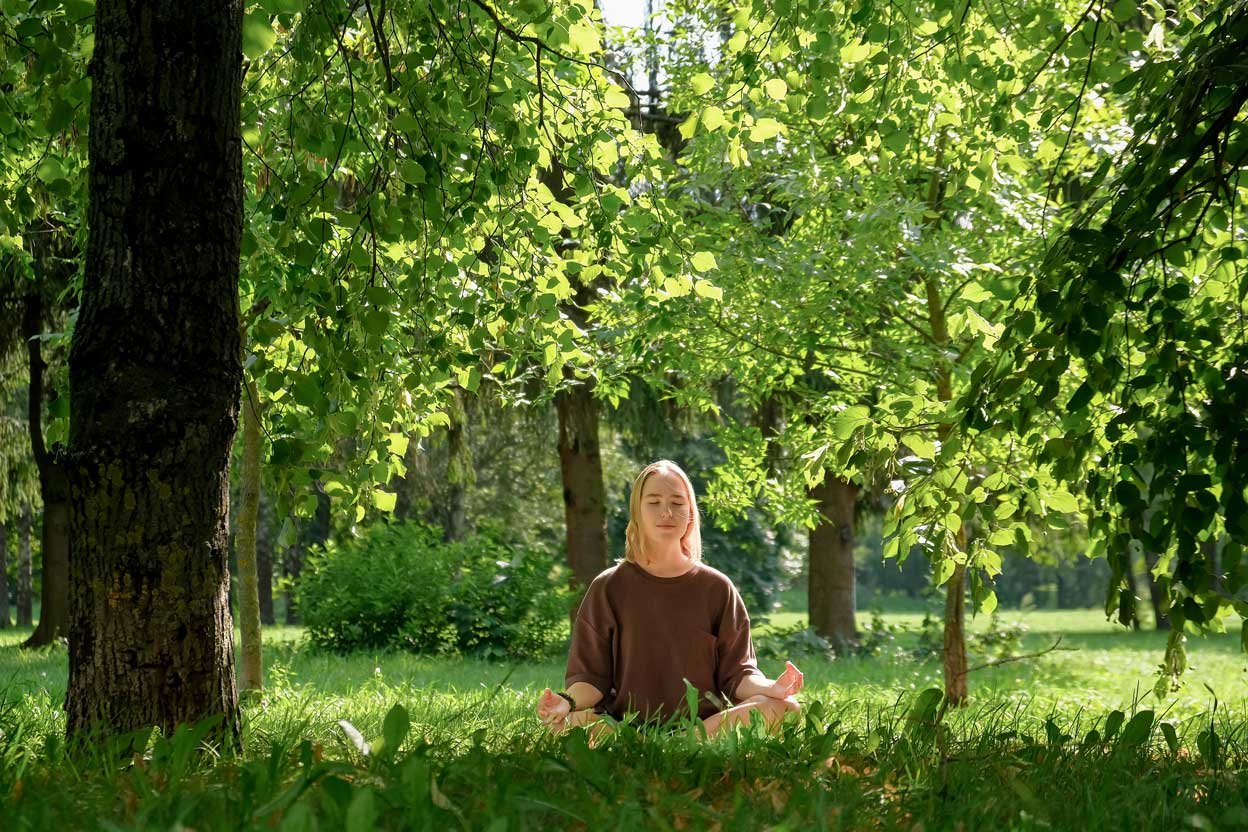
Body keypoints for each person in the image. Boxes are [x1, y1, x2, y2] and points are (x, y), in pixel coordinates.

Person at [536, 460, 803, 739]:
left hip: (702, 728)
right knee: (559, 726)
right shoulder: (608, 587)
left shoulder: (717, 588)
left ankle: (678, 745)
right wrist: (566, 702)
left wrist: (771, 688)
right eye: (654, 502)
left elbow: (737, 676)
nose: (666, 512)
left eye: (677, 502)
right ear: (637, 512)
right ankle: (658, 748)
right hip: (625, 729)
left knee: (786, 708)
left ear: (690, 513)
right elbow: (591, 680)